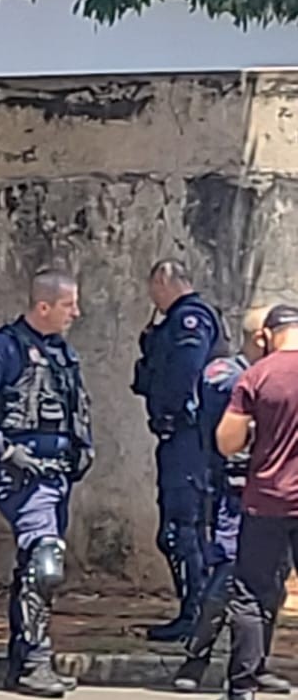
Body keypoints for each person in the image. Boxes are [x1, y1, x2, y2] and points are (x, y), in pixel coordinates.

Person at [0, 267, 93, 699]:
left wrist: (84, 446)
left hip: (58, 473)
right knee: (44, 561)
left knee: (34, 565)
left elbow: (74, 405)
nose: (77, 312)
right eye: (69, 305)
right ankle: (35, 663)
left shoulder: (60, 352)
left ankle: (22, 661)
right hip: (23, 471)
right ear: (44, 306)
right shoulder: (2, 348)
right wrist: (4, 449)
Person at [172, 307, 292, 694]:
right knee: (230, 577)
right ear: (260, 338)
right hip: (234, 495)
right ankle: (197, 659)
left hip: (266, 497)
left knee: (267, 586)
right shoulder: (229, 374)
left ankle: (252, 671)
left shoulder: (262, 376)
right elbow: (224, 438)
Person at [131, 261, 226, 642]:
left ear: (164, 281)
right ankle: (198, 612)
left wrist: (171, 415)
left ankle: (197, 616)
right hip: (179, 440)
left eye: (154, 287)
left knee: (182, 530)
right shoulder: (172, 322)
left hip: (189, 440)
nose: (152, 296)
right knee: (177, 530)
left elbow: (184, 375)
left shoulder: (190, 319)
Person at [210, 304, 298, 700]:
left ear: (265, 335)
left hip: (267, 501)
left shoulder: (257, 375)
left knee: (250, 593)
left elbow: (226, 442)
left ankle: (241, 691)